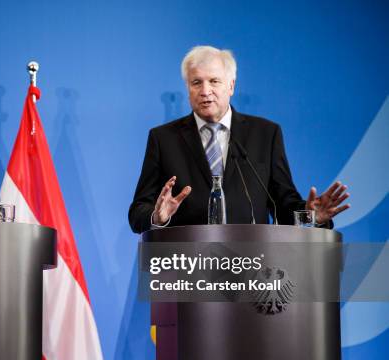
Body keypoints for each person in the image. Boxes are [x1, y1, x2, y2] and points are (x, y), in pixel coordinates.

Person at [128, 45, 349, 233]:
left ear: (231, 85)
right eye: (196, 82)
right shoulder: (163, 138)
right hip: (185, 268)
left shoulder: (265, 134)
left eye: (214, 81)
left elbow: (282, 205)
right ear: (188, 88)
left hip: (250, 267)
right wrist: (158, 218)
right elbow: (138, 212)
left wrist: (312, 217)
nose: (205, 91)